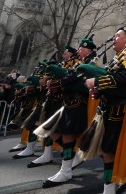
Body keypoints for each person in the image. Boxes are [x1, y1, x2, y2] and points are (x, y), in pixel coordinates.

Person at [85, 24, 126, 194]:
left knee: (108, 151)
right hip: (107, 111)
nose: (114, 38)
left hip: (118, 114)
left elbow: (123, 80)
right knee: (105, 152)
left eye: (118, 36)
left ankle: (109, 189)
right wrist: (99, 92)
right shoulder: (119, 59)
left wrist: (97, 83)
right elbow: (112, 80)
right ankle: (112, 184)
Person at [41, 40, 93, 187]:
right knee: (52, 132)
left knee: (68, 135)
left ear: (89, 50)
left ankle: (65, 170)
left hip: (78, 103)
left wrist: (61, 82)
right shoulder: (78, 63)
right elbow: (70, 77)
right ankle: (73, 158)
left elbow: (77, 81)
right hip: (68, 103)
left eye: (82, 48)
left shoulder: (90, 64)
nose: (79, 51)